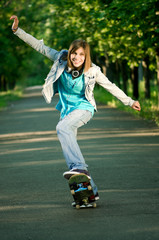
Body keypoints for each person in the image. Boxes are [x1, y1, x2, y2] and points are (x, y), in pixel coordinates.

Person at [10, 15, 141, 201]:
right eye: (74, 53)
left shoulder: (93, 71)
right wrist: (17, 31)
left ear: (86, 56)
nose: (77, 57)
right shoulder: (60, 59)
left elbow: (111, 86)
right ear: (70, 52)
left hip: (84, 109)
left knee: (62, 130)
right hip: (67, 112)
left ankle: (79, 168)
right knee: (71, 149)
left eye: (81, 54)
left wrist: (129, 101)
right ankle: (90, 190)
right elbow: (40, 46)